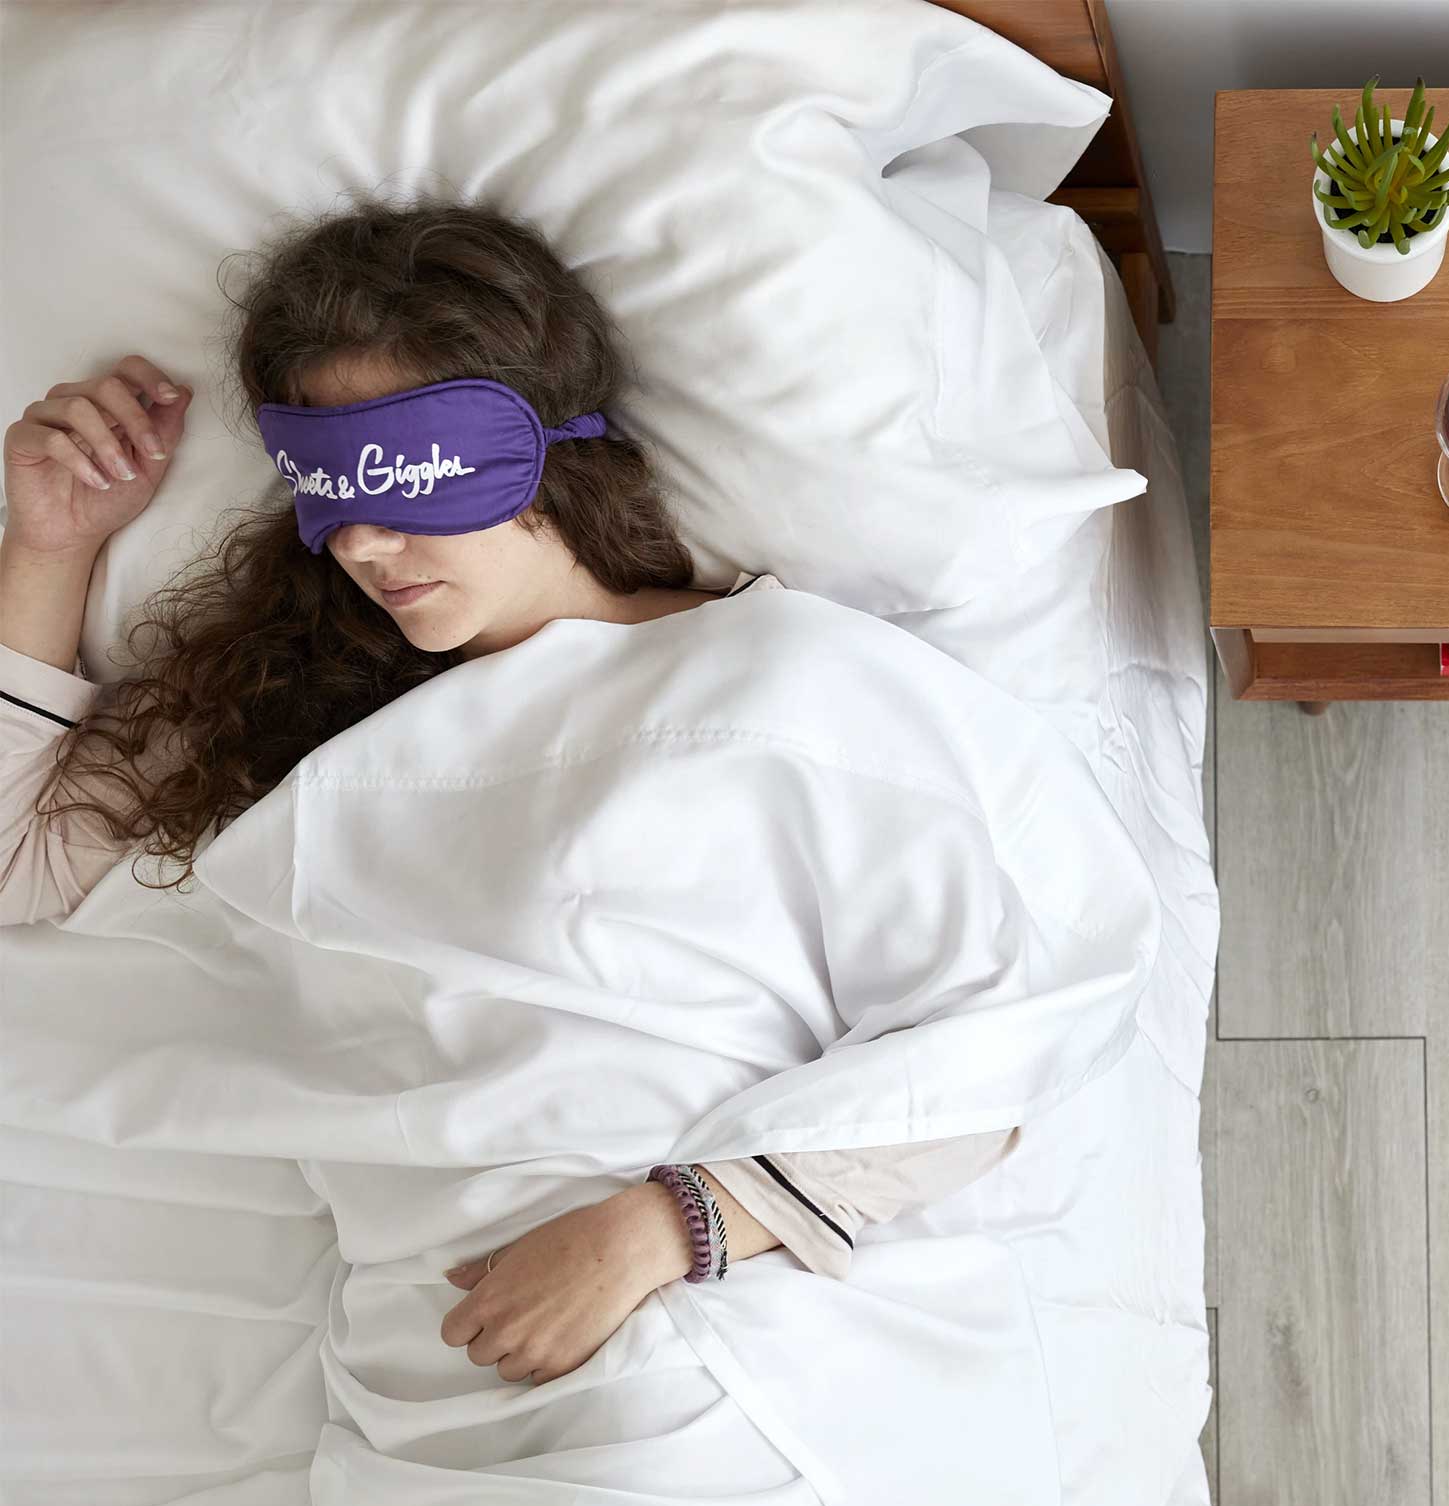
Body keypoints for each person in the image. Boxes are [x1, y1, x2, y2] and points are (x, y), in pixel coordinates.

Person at [0, 190, 1019, 1382]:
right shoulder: (293, 712)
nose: (363, 543)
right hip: (417, 1352)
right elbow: (20, 862)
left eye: (404, 479)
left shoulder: (785, 676)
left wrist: (666, 1228)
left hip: (712, 1317)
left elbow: (995, 1041)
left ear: (544, 447)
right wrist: (51, 546)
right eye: (332, 491)